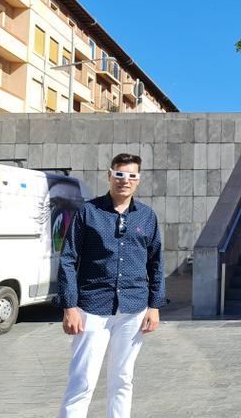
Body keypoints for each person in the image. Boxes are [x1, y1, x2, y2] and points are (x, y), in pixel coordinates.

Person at [56, 153, 165, 418]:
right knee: (82, 380)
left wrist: (154, 306)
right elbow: (68, 259)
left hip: (133, 309)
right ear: (109, 175)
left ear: (138, 180)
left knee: (123, 379)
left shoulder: (147, 217)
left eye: (131, 176)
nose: (124, 181)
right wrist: (69, 305)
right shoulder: (88, 212)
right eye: (119, 175)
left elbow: (156, 263)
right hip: (91, 307)